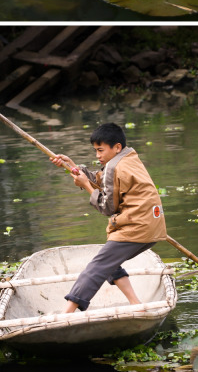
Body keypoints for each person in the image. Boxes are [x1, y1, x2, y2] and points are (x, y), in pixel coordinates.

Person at [50, 122, 166, 313]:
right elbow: (104, 181)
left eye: (100, 150)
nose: (98, 156)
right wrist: (72, 166)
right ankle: (136, 304)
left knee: (98, 266)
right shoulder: (129, 157)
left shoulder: (114, 166)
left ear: (117, 147)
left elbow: (107, 207)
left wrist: (86, 186)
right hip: (153, 225)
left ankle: (66, 313)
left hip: (136, 226)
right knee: (110, 262)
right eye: (95, 151)